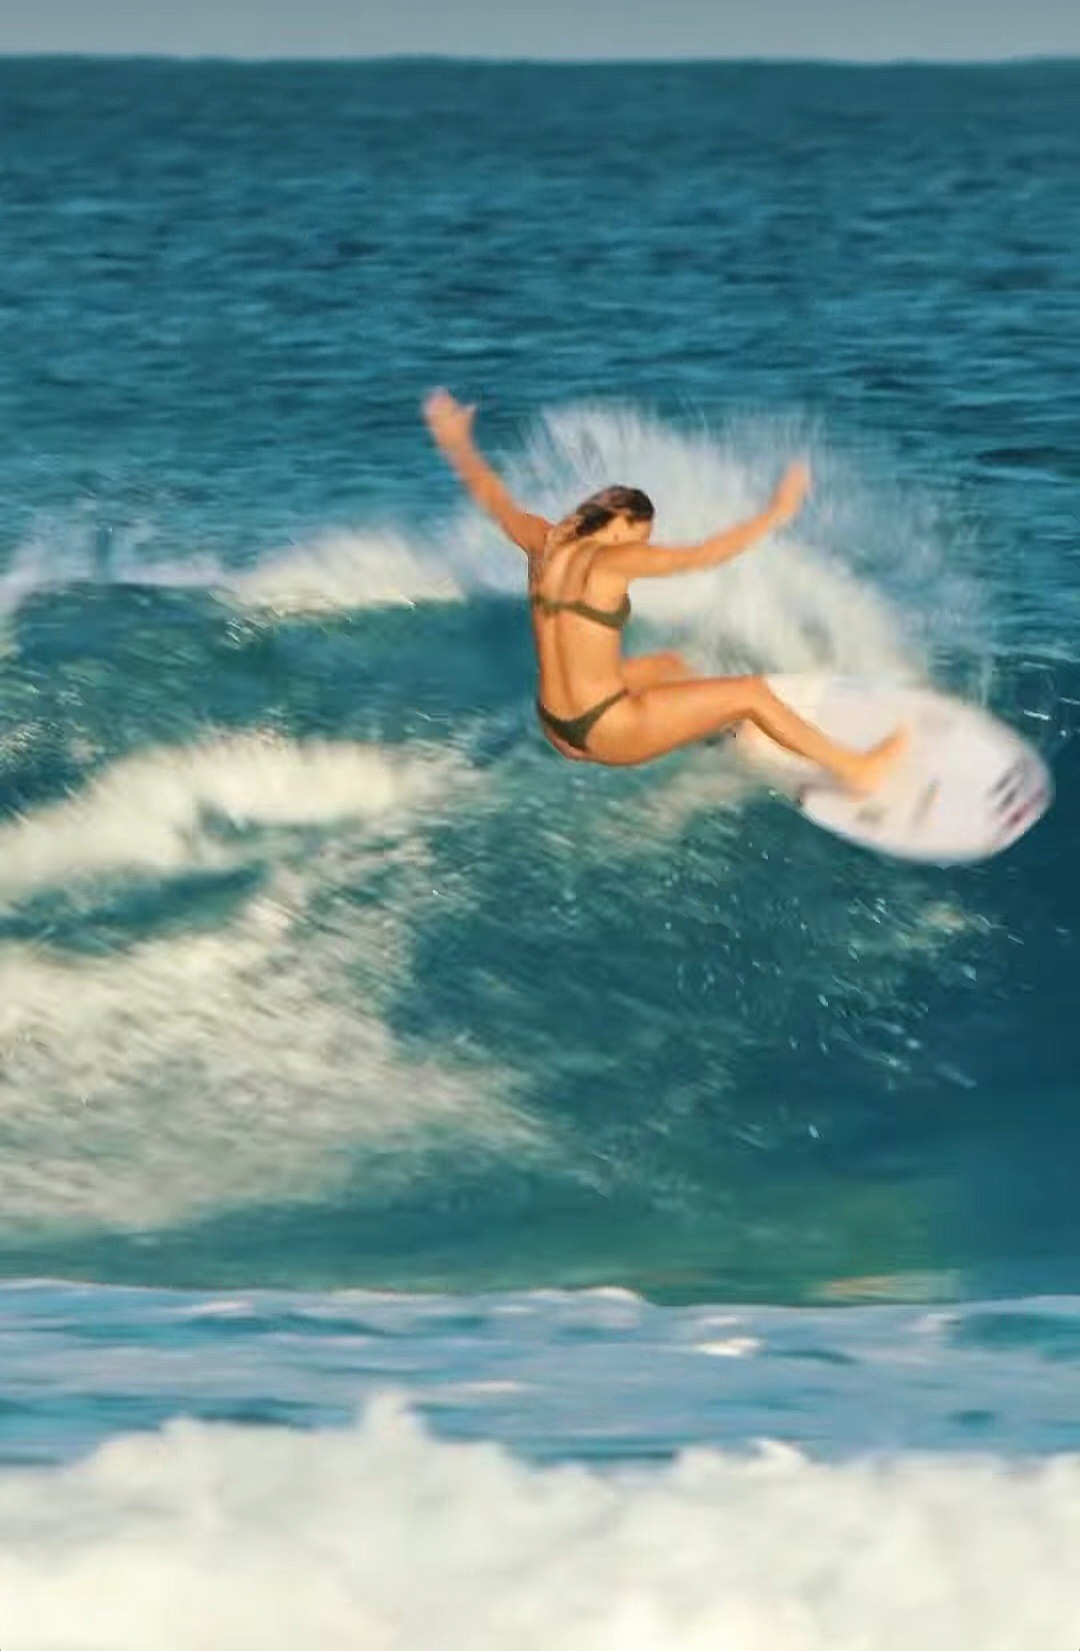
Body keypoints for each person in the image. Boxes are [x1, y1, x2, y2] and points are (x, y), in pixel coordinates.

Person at [423, 390, 905, 789]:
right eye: (639, 536)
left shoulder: (541, 541)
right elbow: (704, 554)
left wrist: (456, 441)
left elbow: (490, 493)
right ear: (618, 523)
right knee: (751, 692)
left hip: (556, 725)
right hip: (608, 730)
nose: (640, 548)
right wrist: (776, 513)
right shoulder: (613, 559)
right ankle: (857, 769)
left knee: (669, 666)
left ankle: (726, 737)